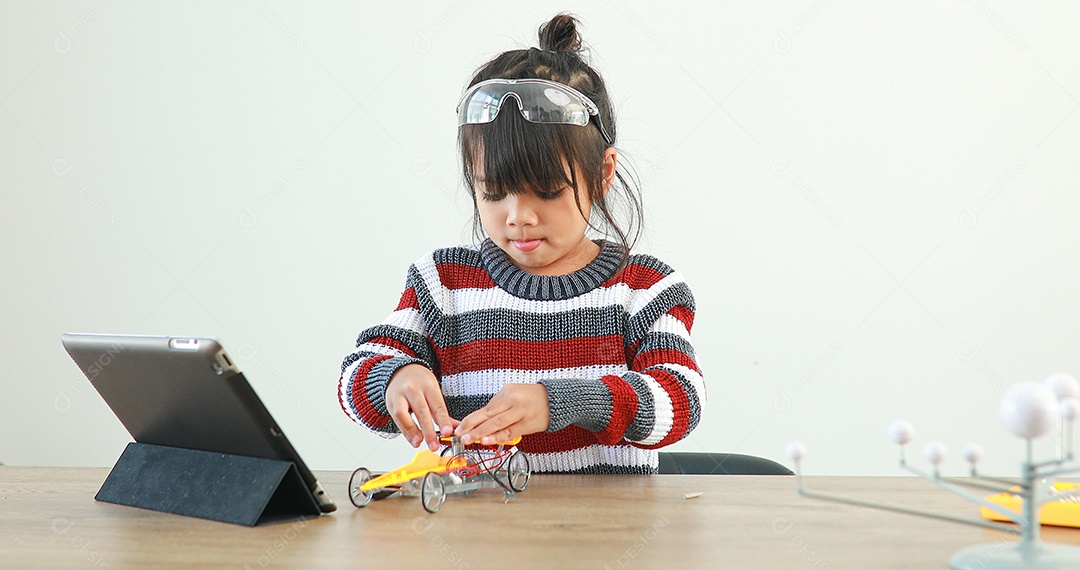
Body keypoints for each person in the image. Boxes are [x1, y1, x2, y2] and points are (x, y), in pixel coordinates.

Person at [338, 13, 705, 474]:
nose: (518, 217)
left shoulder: (645, 289)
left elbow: (681, 400)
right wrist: (394, 378)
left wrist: (567, 401)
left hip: (604, 521)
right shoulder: (443, 284)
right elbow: (354, 377)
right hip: (477, 520)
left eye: (547, 191)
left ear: (603, 173)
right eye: (493, 193)